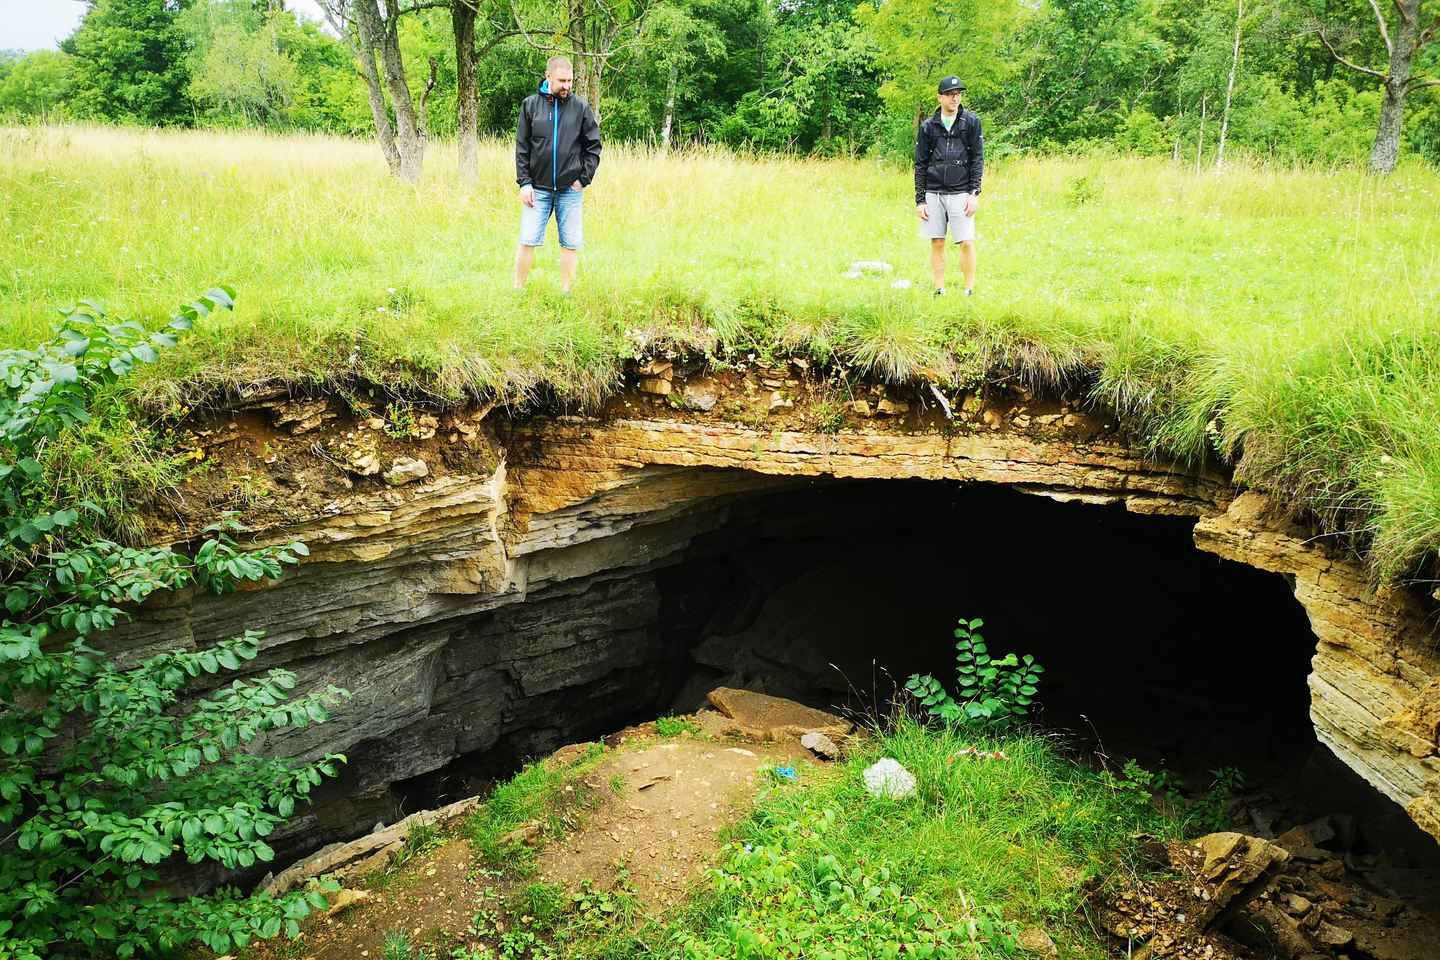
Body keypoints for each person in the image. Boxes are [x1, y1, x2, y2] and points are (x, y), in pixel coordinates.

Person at [514, 56, 602, 293]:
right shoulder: (530, 105)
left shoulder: (580, 108)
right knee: (527, 239)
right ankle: (518, 290)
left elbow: (593, 147)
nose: (566, 86)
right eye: (562, 80)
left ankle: (566, 293)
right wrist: (524, 183)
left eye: (570, 81)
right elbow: (522, 147)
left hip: (569, 191)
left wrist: (583, 179)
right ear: (548, 76)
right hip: (537, 190)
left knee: (570, 243)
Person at [914, 75, 983, 296]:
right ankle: (939, 289)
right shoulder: (928, 127)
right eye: (951, 94)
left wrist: (974, 193)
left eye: (958, 94)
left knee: (966, 241)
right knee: (937, 241)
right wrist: (920, 200)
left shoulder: (971, 123)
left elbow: (977, 159)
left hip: (961, 191)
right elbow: (920, 164)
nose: (955, 98)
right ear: (940, 97)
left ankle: (969, 289)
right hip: (934, 192)